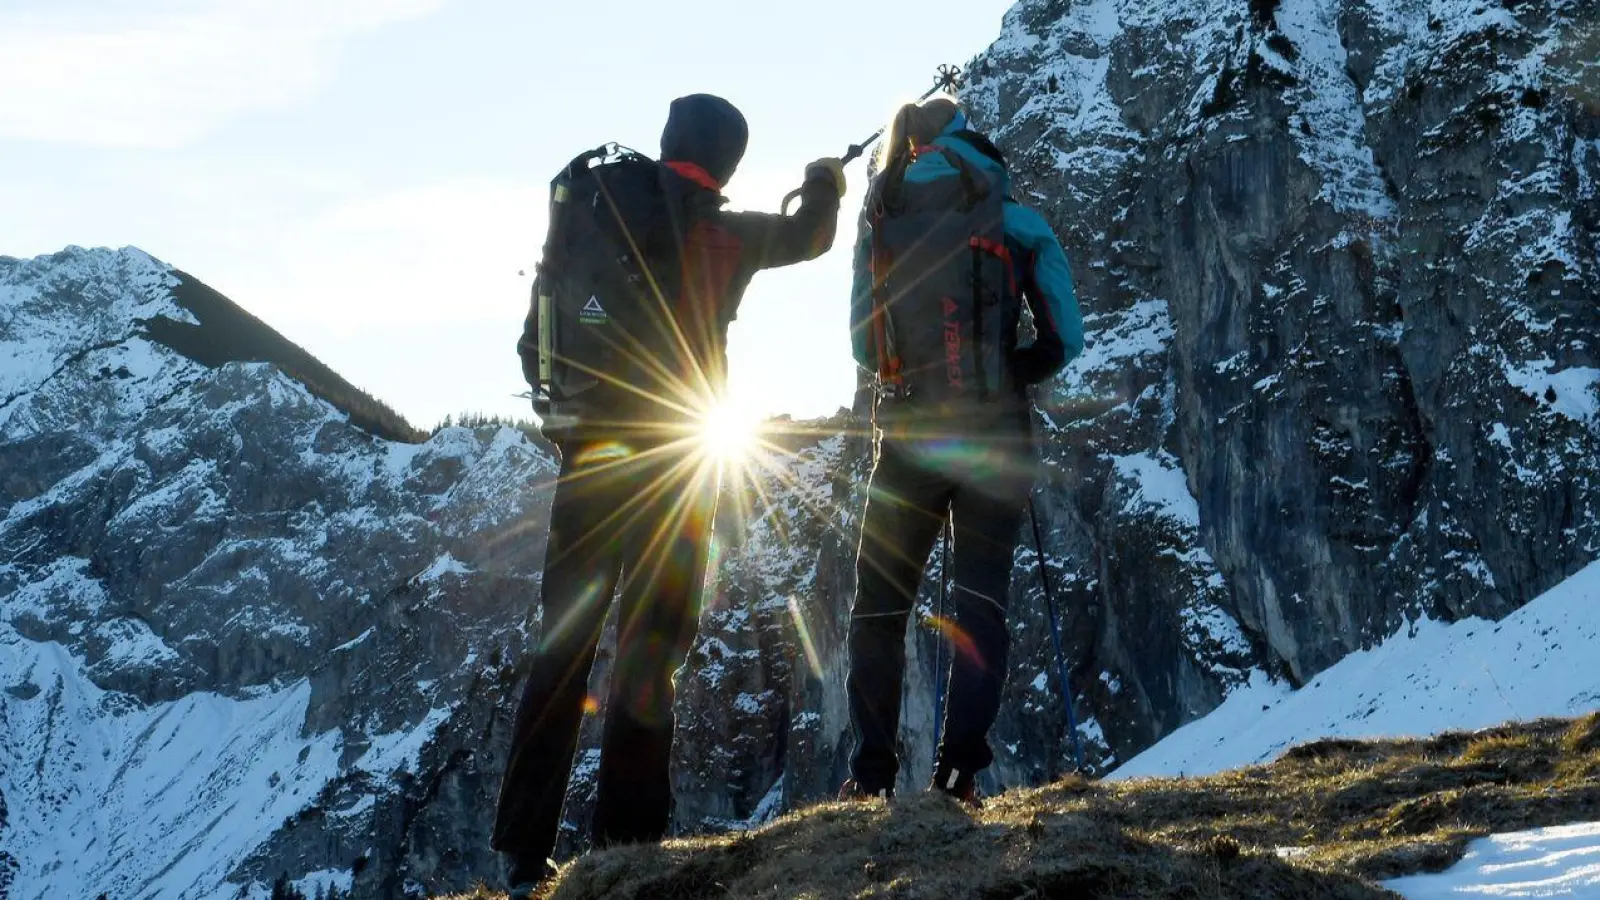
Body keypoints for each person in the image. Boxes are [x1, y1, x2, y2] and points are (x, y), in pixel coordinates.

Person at [494, 93, 844, 895]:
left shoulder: (594, 208)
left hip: (590, 459)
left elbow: (535, 332)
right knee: (651, 650)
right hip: (679, 464)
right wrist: (824, 181)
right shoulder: (727, 231)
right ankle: (624, 845)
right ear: (728, 162)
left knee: (564, 646)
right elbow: (811, 237)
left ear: (666, 142)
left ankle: (520, 851)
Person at [840, 96, 1085, 805]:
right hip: (994, 435)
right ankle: (956, 778)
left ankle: (871, 776)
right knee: (979, 609)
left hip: (911, 434)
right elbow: (1065, 335)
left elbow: (862, 344)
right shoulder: (1009, 215)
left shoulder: (883, 216)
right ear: (968, 136)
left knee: (879, 610)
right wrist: (1020, 369)